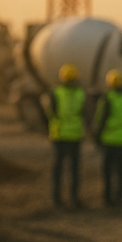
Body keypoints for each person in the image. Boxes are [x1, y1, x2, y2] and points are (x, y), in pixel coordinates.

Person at [42, 62, 86, 209]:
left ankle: (57, 200)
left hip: (59, 136)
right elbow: (85, 114)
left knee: (58, 170)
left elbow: (49, 113)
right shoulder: (81, 93)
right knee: (74, 170)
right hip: (75, 136)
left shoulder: (55, 93)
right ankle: (74, 199)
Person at [93, 69, 122, 208]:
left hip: (109, 140)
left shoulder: (107, 98)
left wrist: (96, 136)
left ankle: (107, 197)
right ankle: (119, 197)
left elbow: (100, 119)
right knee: (120, 171)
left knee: (107, 171)